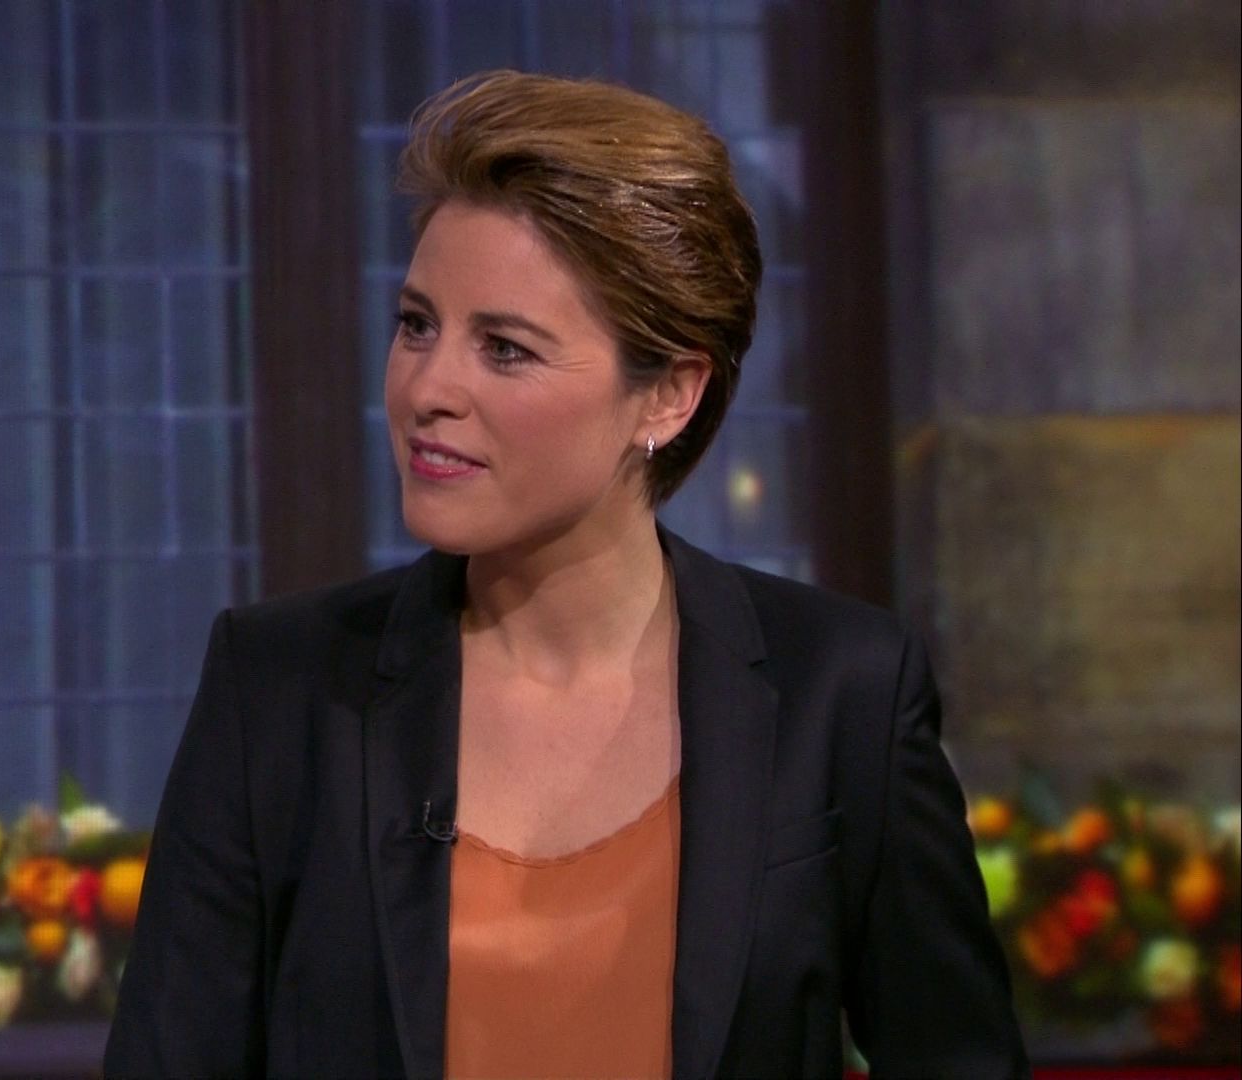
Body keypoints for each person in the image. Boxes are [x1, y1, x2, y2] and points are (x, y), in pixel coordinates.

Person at [104, 70, 1027, 1079]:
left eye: (504, 349)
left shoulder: (841, 693)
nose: (427, 388)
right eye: (417, 324)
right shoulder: (278, 690)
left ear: (668, 395)